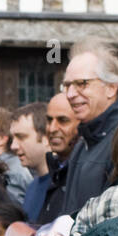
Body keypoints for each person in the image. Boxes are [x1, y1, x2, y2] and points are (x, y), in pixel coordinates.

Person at [61, 38, 118, 215]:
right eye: (67, 85)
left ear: (111, 88)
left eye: (82, 83)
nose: (70, 94)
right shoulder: (83, 141)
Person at [22, 92, 81, 227]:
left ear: (80, 124)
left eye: (63, 120)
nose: (52, 128)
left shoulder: (84, 175)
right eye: (49, 120)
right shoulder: (51, 175)